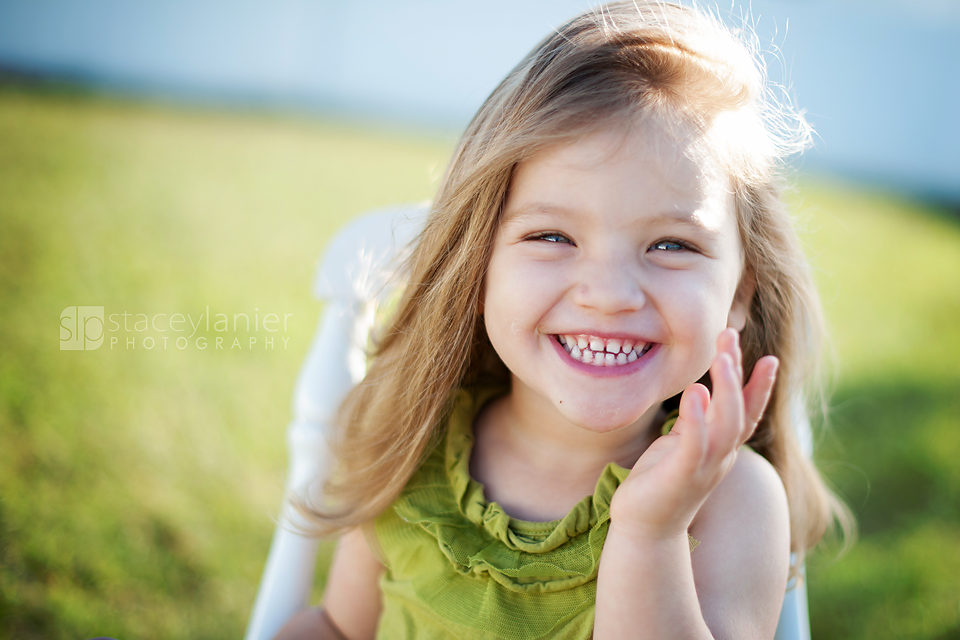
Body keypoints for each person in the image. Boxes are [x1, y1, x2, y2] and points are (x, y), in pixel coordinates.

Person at [274, 2, 851, 638]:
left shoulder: (732, 502)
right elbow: (337, 627)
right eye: (551, 235)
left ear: (739, 295)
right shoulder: (412, 441)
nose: (607, 295)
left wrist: (650, 534)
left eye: (671, 245)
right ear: (478, 267)